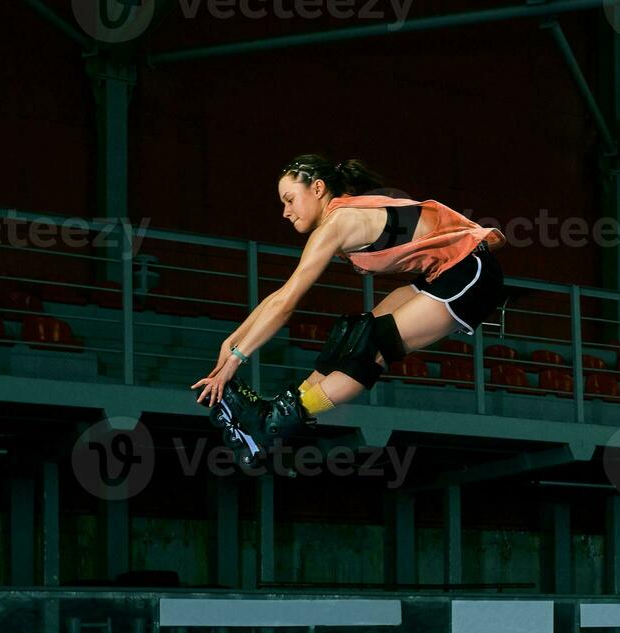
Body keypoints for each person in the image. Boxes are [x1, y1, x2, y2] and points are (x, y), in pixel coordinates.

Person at [192, 154, 507, 464]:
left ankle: (275, 420)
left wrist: (237, 358)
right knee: (353, 335)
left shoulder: (338, 223)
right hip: (445, 270)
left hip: (472, 271)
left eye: (290, 199)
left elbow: (286, 303)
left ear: (317, 189)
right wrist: (231, 340)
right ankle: (278, 412)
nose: (285, 212)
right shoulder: (339, 216)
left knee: (373, 345)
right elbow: (280, 295)